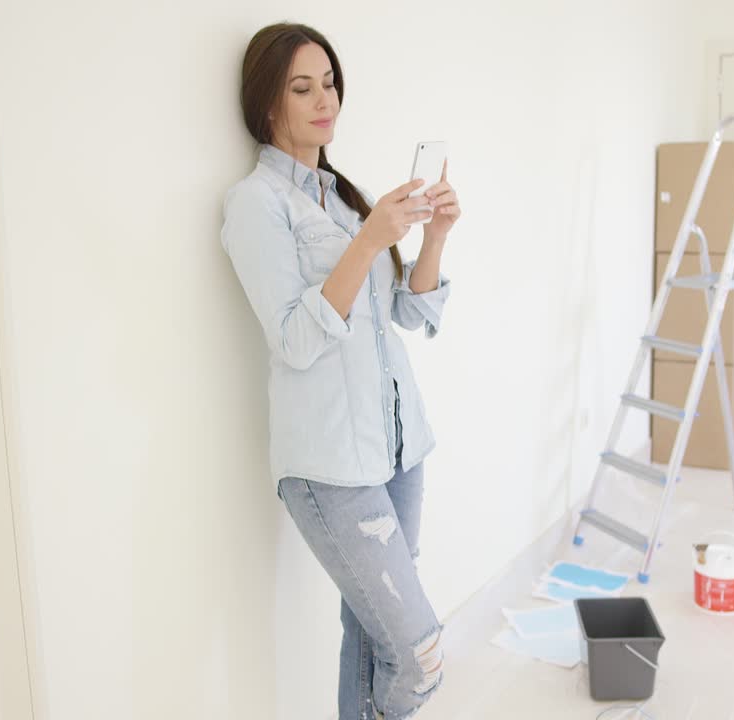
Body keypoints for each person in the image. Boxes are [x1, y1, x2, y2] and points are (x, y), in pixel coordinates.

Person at [220, 22, 461, 720]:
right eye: (302, 87)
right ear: (269, 105)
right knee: (419, 654)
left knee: (372, 639)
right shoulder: (255, 205)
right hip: (329, 469)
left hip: (397, 451)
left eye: (328, 82)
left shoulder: (345, 198)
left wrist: (433, 237)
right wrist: (368, 241)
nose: (324, 99)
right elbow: (295, 338)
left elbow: (408, 320)